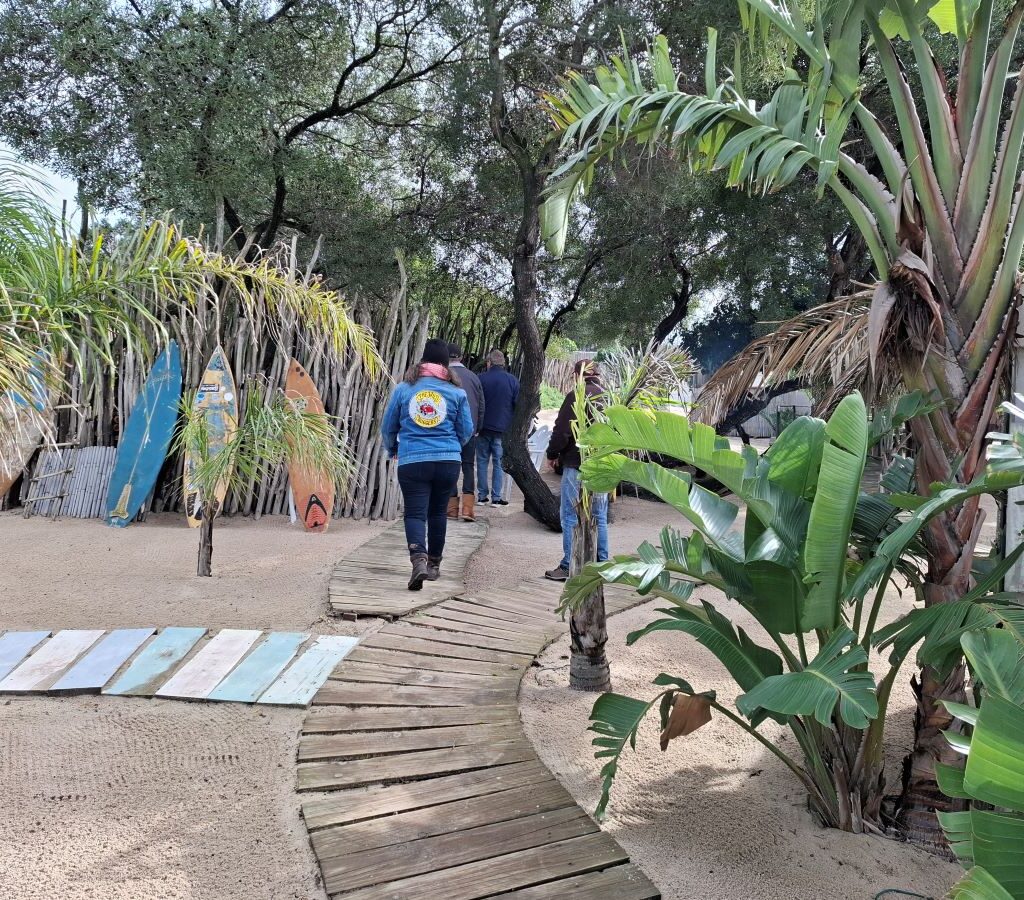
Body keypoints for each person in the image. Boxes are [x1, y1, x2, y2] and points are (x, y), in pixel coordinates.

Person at [381, 338, 473, 590]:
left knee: (415, 513)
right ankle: (434, 565)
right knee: (437, 512)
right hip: (447, 462)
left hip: (412, 460)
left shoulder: (403, 389)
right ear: (447, 365)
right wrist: (452, 446)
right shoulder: (457, 392)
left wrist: (394, 449)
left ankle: (418, 561)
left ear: (422, 362)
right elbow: (466, 430)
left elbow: (388, 427)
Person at [544, 360, 609, 581]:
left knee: (570, 514)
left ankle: (569, 564)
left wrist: (552, 454)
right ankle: (602, 564)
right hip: (603, 466)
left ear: (577, 375)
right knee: (599, 515)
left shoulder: (577, 395)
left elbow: (562, 430)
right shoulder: (609, 397)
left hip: (577, 464)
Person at [447, 343, 485, 522]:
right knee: (468, 466)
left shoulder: (444, 376)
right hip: (469, 431)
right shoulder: (473, 377)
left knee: (451, 466)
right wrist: (478, 428)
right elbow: (482, 405)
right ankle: (468, 510)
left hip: (449, 431)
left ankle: (451, 509)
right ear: (461, 358)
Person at [476, 349, 519, 506]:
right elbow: (517, 405)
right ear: (504, 363)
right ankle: (496, 497)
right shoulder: (512, 380)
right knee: (498, 463)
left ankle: (481, 496)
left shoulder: (480, 379)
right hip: (503, 430)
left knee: (481, 461)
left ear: (489, 362)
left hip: (482, 428)